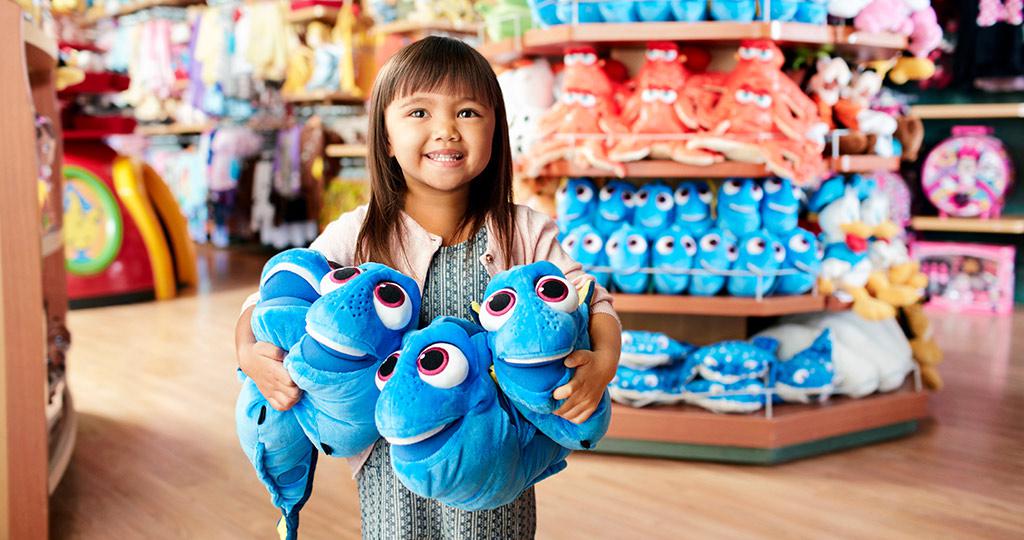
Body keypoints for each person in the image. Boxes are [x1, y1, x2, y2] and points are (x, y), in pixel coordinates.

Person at [235, 36, 621, 539]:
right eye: (419, 112)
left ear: (495, 132)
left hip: (496, 453)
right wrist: (249, 354)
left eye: (467, 112)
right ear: (387, 137)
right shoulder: (357, 234)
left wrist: (604, 361)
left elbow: (591, 298)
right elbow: (272, 296)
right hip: (389, 464)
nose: (445, 131)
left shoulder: (526, 231)